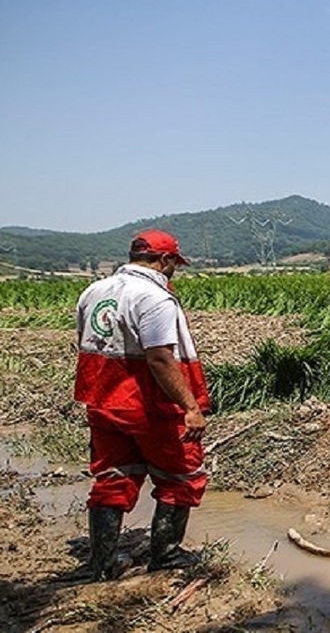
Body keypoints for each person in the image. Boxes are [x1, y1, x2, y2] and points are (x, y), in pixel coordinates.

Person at [74, 229, 209, 581]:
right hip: (149, 405)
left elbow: (88, 345)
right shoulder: (155, 297)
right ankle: (165, 555)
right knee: (181, 475)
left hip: (103, 401)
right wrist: (191, 407)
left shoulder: (93, 292)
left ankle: (102, 563)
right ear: (164, 261)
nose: (174, 270)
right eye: (174, 263)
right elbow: (161, 358)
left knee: (112, 477)